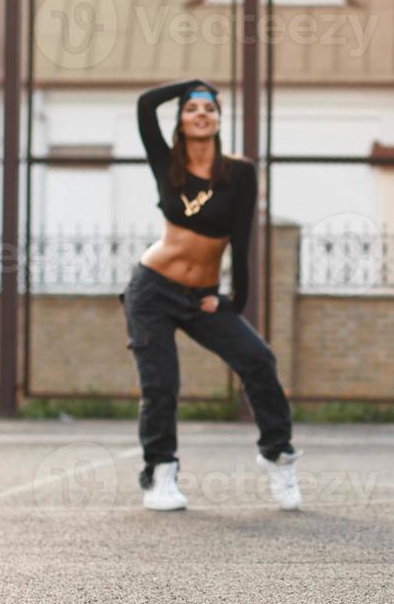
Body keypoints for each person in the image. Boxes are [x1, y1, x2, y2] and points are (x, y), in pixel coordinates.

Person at [120, 79, 302, 512]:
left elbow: (240, 239)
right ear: (181, 121)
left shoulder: (238, 172)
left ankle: (277, 455)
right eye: (191, 108)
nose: (201, 113)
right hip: (152, 290)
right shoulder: (166, 164)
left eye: (210, 108)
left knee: (258, 360)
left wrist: (232, 300)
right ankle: (159, 473)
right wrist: (193, 84)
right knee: (161, 385)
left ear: (219, 119)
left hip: (202, 295)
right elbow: (146, 104)